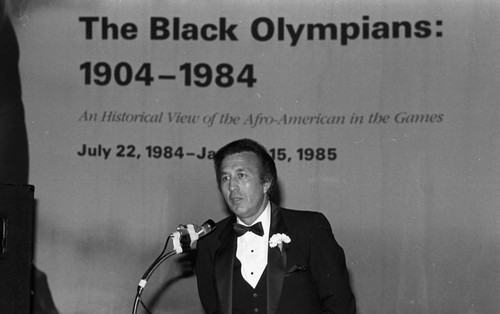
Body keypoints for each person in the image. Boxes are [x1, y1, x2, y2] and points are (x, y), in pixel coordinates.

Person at [195, 138, 356, 314]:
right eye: (225, 177)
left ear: (266, 183)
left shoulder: (309, 228)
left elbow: (339, 304)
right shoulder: (210, 243)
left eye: (241, 175)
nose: (232, 186)